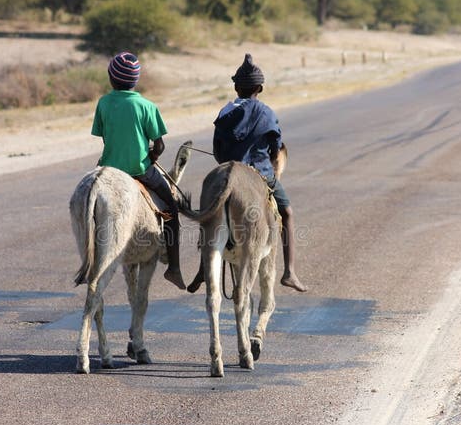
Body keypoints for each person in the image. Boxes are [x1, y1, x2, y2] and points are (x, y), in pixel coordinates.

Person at [187, 52, 307, 293]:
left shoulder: (224, 112)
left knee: (208, 210)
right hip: (261, 173)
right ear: (260, 88)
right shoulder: (267, 113)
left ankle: (203, 267)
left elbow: (218, 151)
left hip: (228, 171)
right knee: (288, 212)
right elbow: (275, 149)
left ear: (235, 87)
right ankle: (290, 272)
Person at [91, 51, 186, 290]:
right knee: (172, 208)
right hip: (139, 169)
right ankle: (174, 268)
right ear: (136, 80)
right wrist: (152, 154)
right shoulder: (147, 106)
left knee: (91, 210)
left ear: (111, 79)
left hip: (109, 169)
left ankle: (92, 261)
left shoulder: (103, 103)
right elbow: (160, 144)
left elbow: (105, 137)